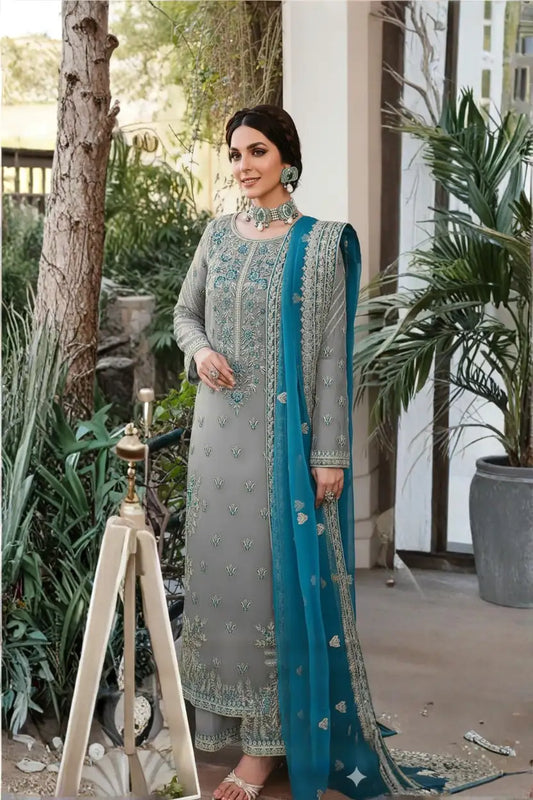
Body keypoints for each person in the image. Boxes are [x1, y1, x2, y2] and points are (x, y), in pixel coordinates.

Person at [174, 105, 500, 800]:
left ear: (287, 157)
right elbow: (184, 312)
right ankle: (212, 726)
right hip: (213, 444)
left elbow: (329, 358)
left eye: (256, 152)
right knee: (217, 587)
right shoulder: (215, 236)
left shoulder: (320, 245)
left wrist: (330, 452)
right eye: (233, 155)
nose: (243, 167)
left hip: (278, 449)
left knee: (267, 590)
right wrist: (199, 350)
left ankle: (264, 749)